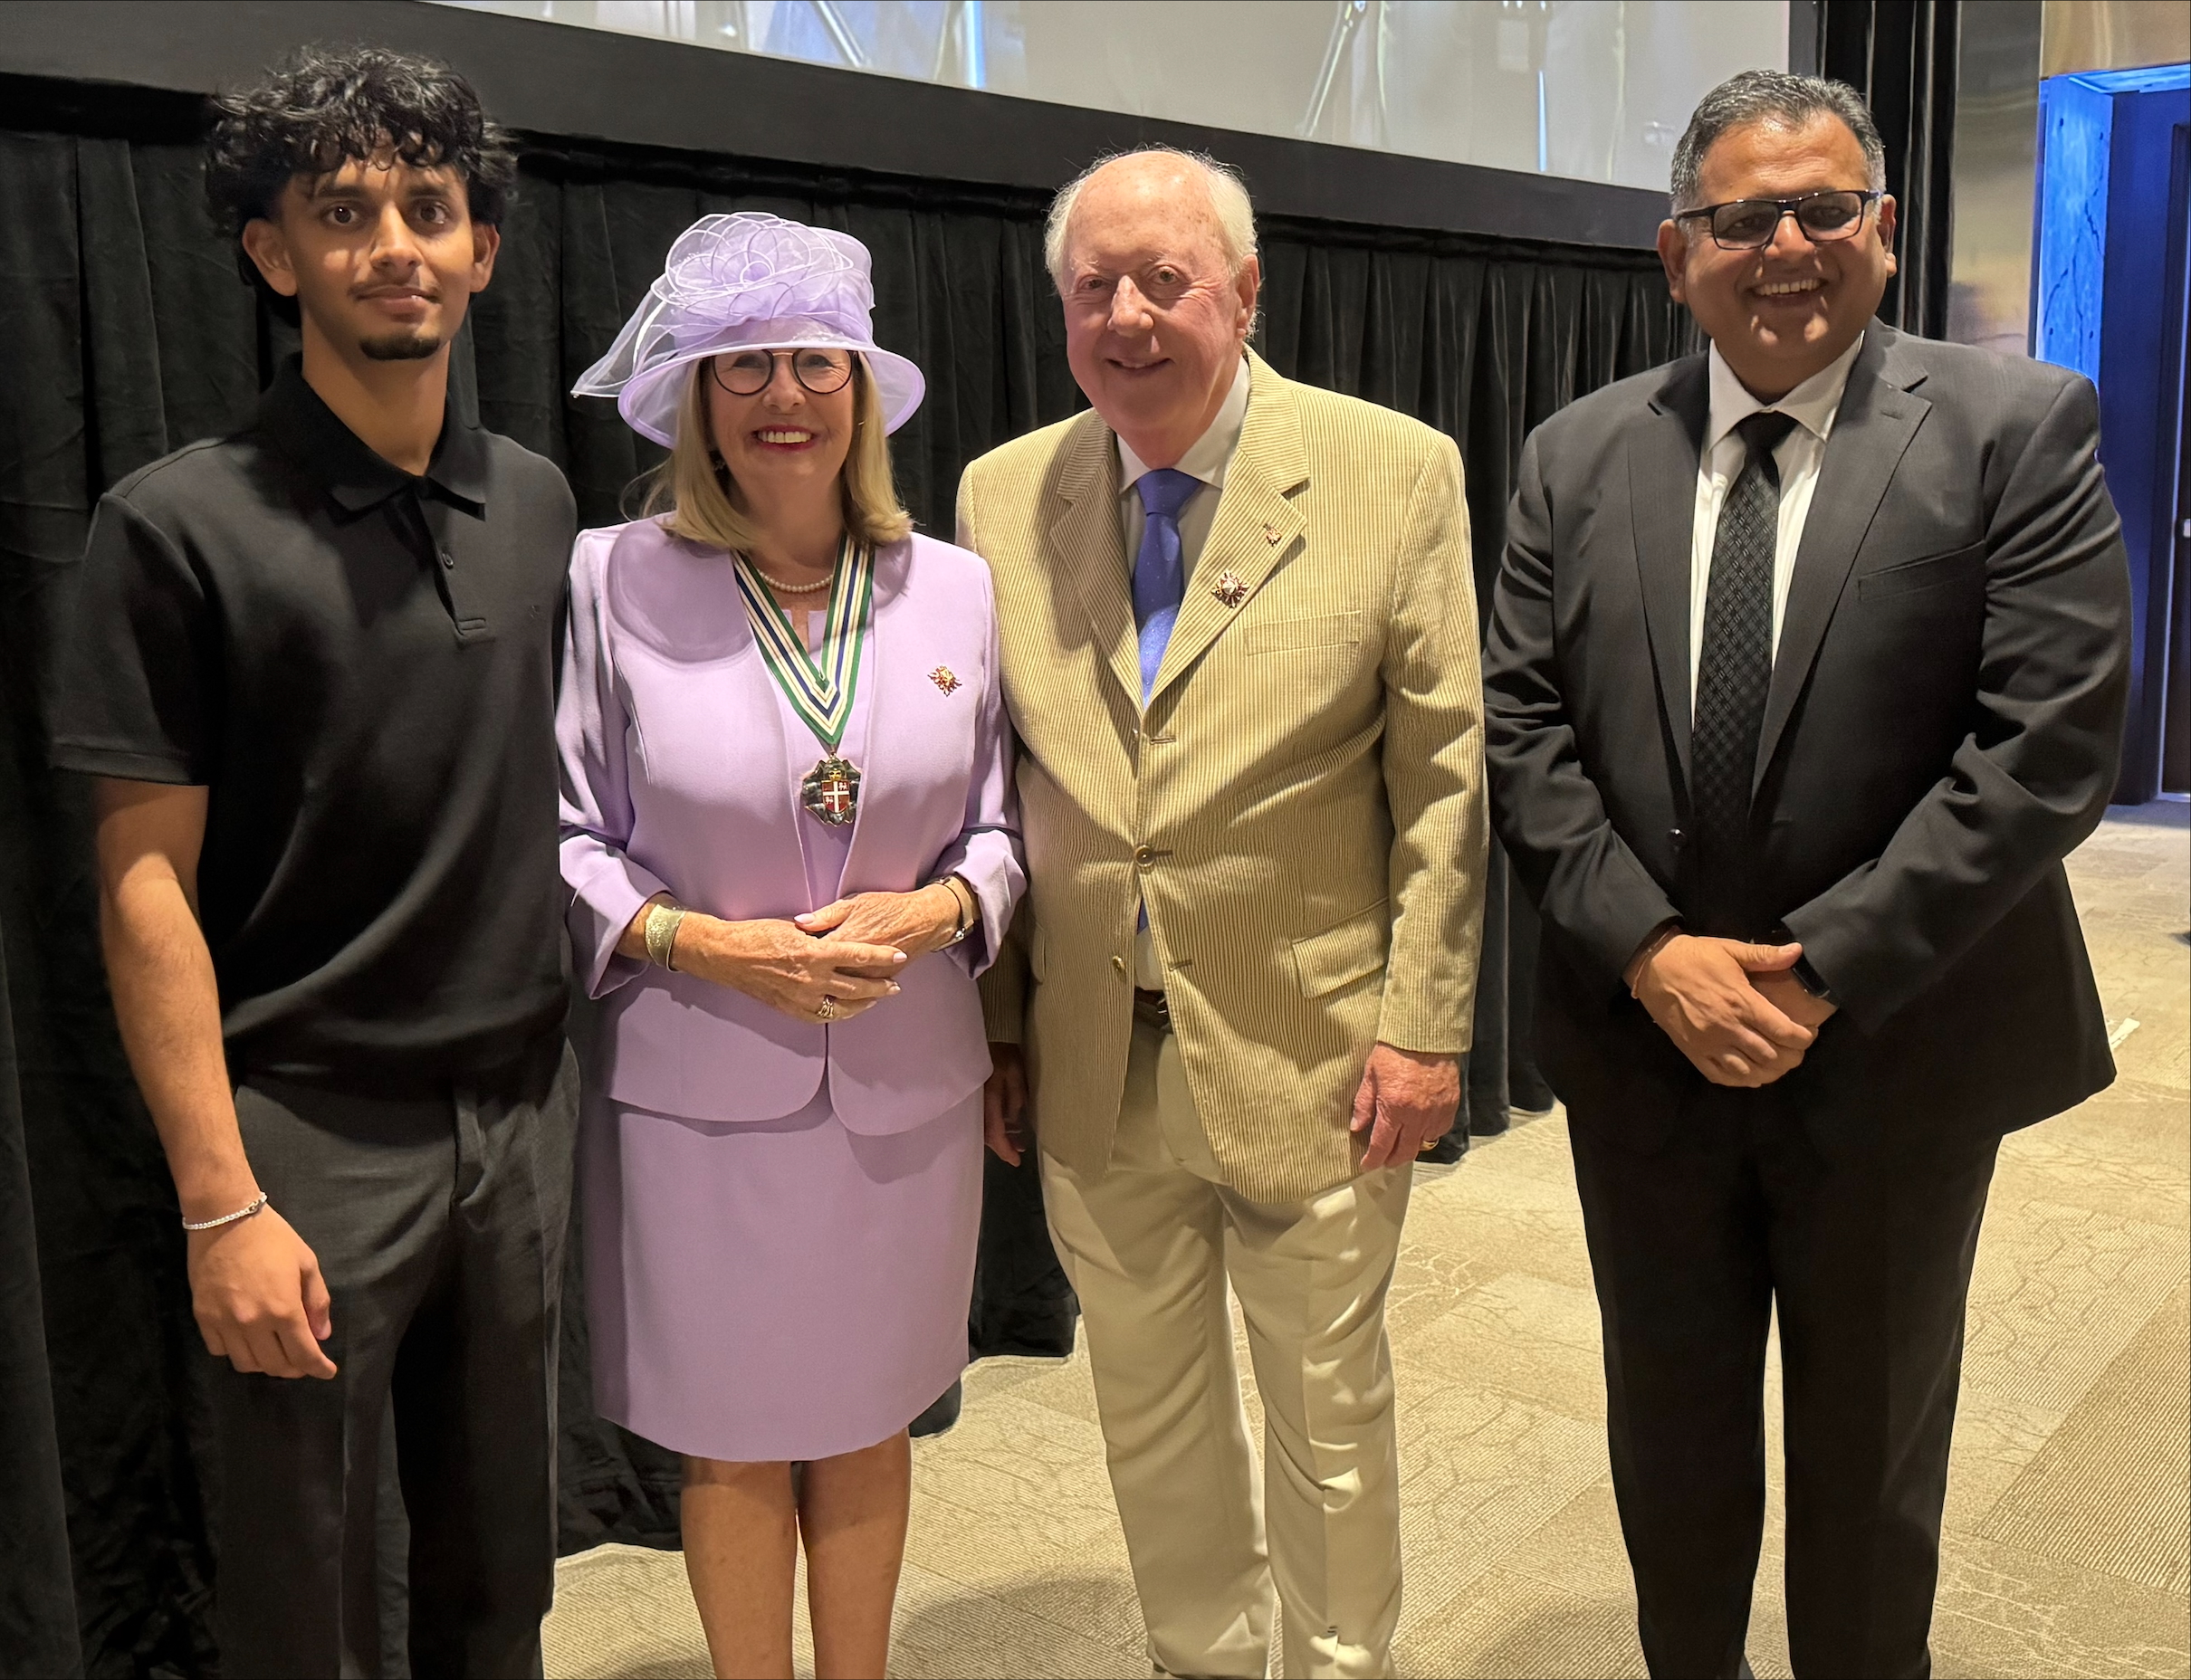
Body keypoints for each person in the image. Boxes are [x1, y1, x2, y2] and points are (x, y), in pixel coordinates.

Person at [1483, 69, 2132, 1678]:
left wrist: (1817, 966)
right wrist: (1655, 956)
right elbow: (1522, 729)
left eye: (1822, 207)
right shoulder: (1573, 458)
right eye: (1741, 217)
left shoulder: (2015, 429)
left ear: (1886, 231)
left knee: (1870, 1470)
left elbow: (2046, 746)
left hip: (1901, 1056)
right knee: (1670, 1441)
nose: (1785, 244)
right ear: (1675, 253)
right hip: (1648, 1055)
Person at [49, 47, 579, 1679]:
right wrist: (223, 1202)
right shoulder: (174, 527)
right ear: (272, 254)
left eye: (431, 207)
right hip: (303, 1134)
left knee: (504, 1586)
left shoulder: (543, 504)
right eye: (343, 212)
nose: (395, 244)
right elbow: (143, 889)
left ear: (485, 246)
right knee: (308, 1599)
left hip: (516, 1119)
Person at [958, 148, 1487, 1679]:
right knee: (1150, 1407)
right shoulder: (1006, 490)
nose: (1126, 317)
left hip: (1319, 1051)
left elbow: (1447, 775)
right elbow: (989, 778)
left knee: (1328, 1412)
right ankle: (1200, 1658)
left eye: (1165, 281)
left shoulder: (1394, 468)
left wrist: (1425, 1027)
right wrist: (997, 1023)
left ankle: (1335, 1667)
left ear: (1246, 295)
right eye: (1090, 289)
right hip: (1086, 1050)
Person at [560, 211, 1023, 1680]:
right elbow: (560, 834)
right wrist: (702, 942)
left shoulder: (954, 585)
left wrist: (943, 909)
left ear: (863, 388)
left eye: (813, 362)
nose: (782, 395)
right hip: (704, 1096)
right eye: (741, 364)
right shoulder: (608, 579)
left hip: (905, 1092)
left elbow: (1006, 832)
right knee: (737, 1440)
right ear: (695, 396)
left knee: (875, 1415)